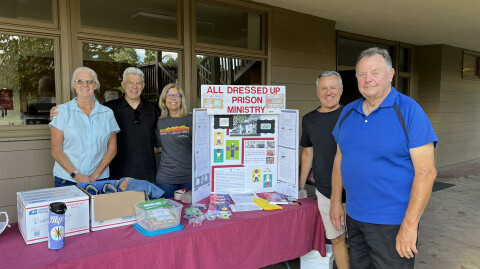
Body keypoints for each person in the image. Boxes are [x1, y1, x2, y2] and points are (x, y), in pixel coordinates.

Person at [330, 47, 438, 269]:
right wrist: (335, 202)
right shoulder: (348, 112)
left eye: (375, 72)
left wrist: (410, 225)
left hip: (392, 222)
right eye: (362, 74)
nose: (368, 79)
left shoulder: (409, 111)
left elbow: (426, 173)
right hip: (354, 216)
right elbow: (340, 159)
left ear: (390, 74)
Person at [51, 67, 160, 183]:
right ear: (123, 84)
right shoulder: (110, 108)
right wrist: (56, 113)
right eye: (130, 82)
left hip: (145, 171)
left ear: (143, 85)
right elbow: (56, 149)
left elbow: (163, 133)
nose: (134, 86)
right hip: (117, 172)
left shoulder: (152, 109)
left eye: (138, 83)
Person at [299, 71, 349, 269]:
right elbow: (307, 154)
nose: (329, 92)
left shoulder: (352, 114)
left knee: (362, 241)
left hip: (356, 191)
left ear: (341, 90)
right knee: (337, 239)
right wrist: (301, 187)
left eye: (333, 87)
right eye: (324, 88)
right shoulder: (309, 119)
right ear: (317, 91)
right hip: (326, 191)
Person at [50, 67, 120, 187]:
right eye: (80, 81)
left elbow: (112, 149)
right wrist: (76, 175)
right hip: (67, 180)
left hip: (98, 180)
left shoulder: (107, 113)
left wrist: (95, 176)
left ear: (96, 85)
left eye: (89, 81)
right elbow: (56, 150)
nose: (85, 85)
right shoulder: (62, 112)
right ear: (74, 85)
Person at [155, 83, 192, 198]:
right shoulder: (160, 122)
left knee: (191, 214)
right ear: (164, 100)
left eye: (177, 95)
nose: (173, 98)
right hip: (166, 178)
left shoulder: (191, 119)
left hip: (189, 176)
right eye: (169, 95)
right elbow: (158, 147)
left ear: (181, 99)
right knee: (168, 214)